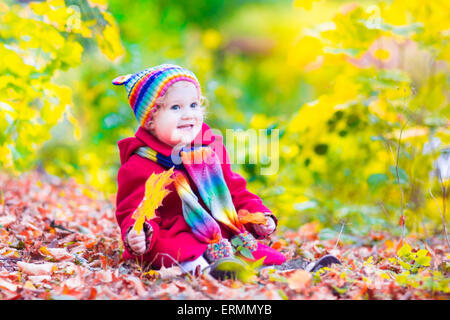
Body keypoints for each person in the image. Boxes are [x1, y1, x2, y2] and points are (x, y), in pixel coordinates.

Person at [113, 64, 286, 277]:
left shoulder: (209, 149)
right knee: (183, 252)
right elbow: (136, 210)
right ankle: (206, 271)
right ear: (151, 119)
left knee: (250, 250)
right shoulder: (140, 165)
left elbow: (235, 192)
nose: (188, 115)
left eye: (194, 105)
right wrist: (138, 233)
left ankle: (269, 270)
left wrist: (258, 216)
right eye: (176, 108)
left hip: (219, 232)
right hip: (174, 235)